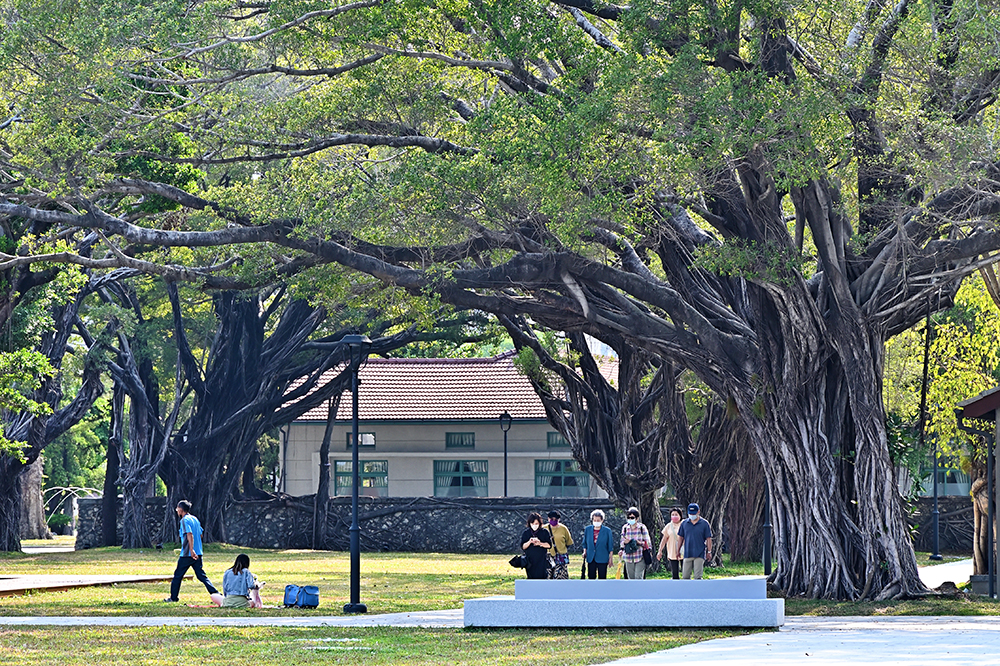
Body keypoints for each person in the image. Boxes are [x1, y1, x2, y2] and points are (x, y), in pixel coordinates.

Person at [164, 500, 219, 602]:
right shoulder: (195, 519)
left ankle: (173, 598)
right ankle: (216, 593)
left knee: (178, 576)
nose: (177, 511)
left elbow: (189, 534)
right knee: (201, 576)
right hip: (198, 552)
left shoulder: (184, 520)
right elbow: (200, 534)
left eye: (177, 509)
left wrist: (191, 549)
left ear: (181, 509)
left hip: (187, 554)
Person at [677, 502, 713, 580]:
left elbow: (708, 539)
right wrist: (678, 550)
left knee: (697, 576)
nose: (692, 515)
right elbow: (680, 537)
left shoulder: (704, 523)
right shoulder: (684, 523)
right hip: (687, 553)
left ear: (698, 512)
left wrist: (709, 551)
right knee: (685, 576)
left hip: (699, 553)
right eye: (690, 514)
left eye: (694, 513)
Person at [619, 506, 652, 580]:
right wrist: (624, 544)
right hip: (628, 557)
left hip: (640, 556)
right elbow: (622, 541)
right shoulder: (625, 528)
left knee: (638, 577)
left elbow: (648, 543)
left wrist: (638, 542)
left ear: (637, 518)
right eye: (629, 517)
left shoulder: (642, 528)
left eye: (632, 518)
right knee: (631, 578)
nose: (630, 519)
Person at [582, 509, 614, 579]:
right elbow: (585, 543)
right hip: (591, 557)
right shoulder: (588, 529)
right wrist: (584, 552)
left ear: (602, 520)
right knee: (591, 577)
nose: (596, 522)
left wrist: (610, 558)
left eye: (598, 520)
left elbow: (610, 546)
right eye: (594, 520)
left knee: (602, 577)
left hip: (602, 557)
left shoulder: (607, 531)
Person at [519, 512, 552, 580]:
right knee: (531, 578)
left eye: (536, 523)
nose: (534, 525)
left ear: (539, 523)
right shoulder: (526, 533)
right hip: (530, 560)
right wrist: (529, 541)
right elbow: (523, 546)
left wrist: (540, 543)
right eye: (532, 523)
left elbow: (549, 545)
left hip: (542, 560)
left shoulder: (544, 532)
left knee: (542, 577)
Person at [546, 510, 574, 580]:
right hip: (548, 557)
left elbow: (569, 542)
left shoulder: (563, 528)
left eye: (556, 519)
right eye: (552, 519)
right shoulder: (544, 528)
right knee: (547, 577)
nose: (553, 521)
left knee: (560, 578)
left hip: (560, 557)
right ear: (548, 519)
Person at [657, 508, 684, 580]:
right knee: (675, 574)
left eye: (676, 514)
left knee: (686, 573)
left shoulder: (684, 524)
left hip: (683, 551)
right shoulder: (668, 526)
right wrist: (660, 550)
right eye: (672, 515)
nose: (674, 516)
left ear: (680, 515)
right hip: (672, 552)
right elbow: (664, 539)